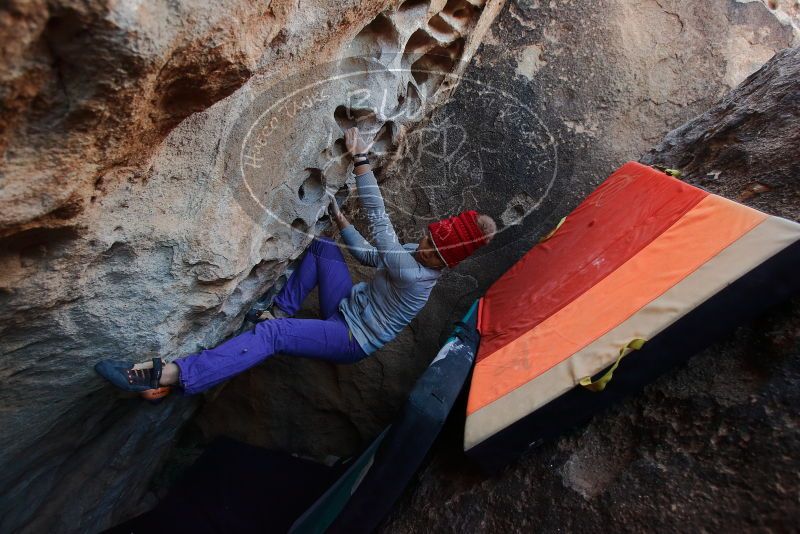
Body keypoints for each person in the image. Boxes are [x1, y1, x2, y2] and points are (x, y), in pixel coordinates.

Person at [95, 127, 497, 396]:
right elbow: (368, 255)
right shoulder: (414, 258)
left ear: (443, 263)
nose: (422, 243)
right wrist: (340, 223)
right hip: (345, 308)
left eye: (430, 247)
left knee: (275, 338)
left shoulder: (415, 275)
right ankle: (276, 310)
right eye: (427, 237)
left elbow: (379, 217)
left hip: (352, 338)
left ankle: (172, 375)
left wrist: (361, 159)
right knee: (323, 246)